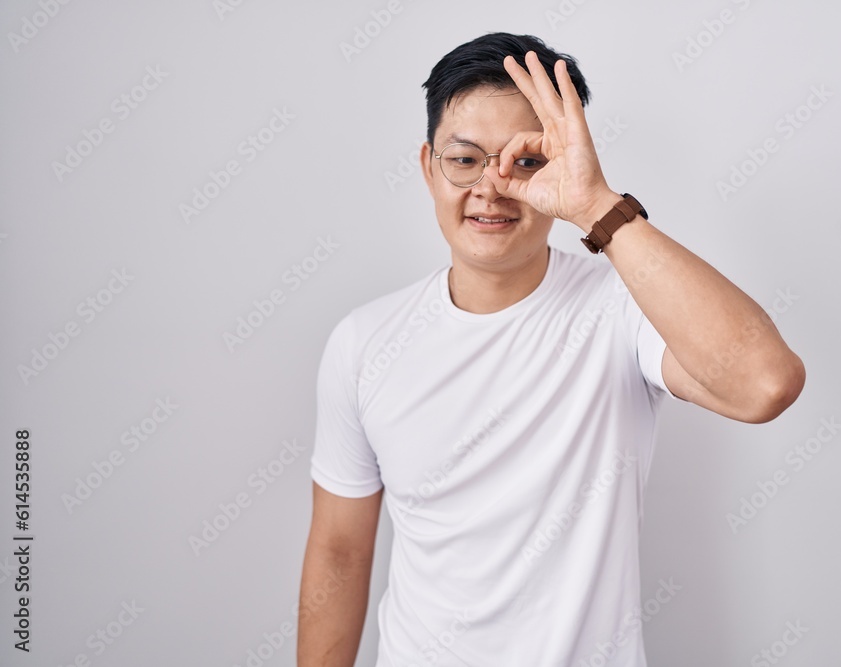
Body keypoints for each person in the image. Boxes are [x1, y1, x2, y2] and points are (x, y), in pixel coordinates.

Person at [297, 32, 805, 667]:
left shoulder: (624, 309)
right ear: (429, 167)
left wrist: (597, 204)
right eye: (465, 159)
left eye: (526, 161)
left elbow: (765, 383)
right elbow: (341, 551)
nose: (492, 186)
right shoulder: (363, 341)